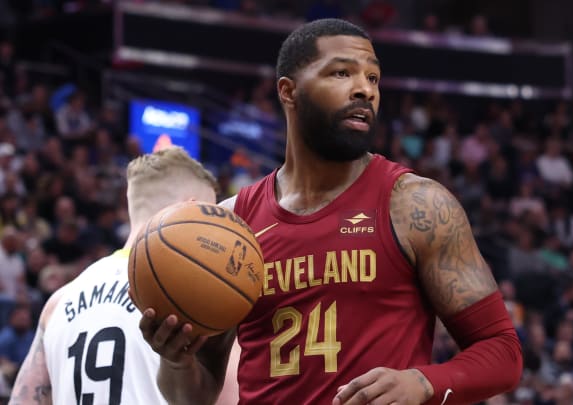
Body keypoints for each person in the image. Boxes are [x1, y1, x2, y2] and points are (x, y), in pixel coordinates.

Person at [140, 18, 522, 405]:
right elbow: (195, 395)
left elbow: (503, 351)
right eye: (342, 73)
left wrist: (423, 383)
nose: (364, 90)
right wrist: (176, 363)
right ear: (289, 92)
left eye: (373, 78)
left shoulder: (416, 205)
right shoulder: (232, 225)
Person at [9, 146, 218, 405]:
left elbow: (23, 401)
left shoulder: (58, 302)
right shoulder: (204, 297)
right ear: (192, 209)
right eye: (213, 214)